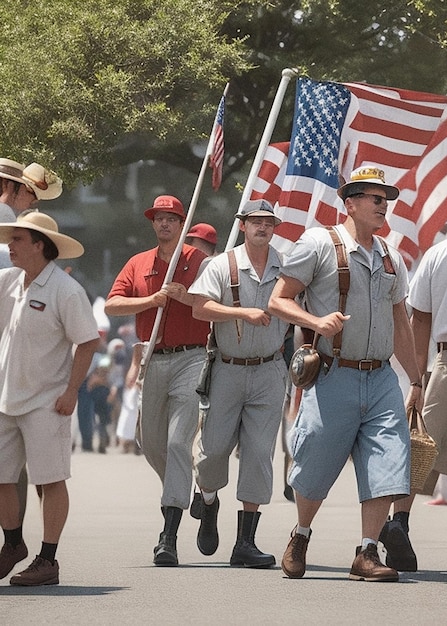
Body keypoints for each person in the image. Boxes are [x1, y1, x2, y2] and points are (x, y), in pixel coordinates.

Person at [268, 165, 422, 581]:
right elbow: (278, 300)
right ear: (350, 202)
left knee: (388, 464)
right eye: (375, 198)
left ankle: (367, 552)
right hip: (333, 373)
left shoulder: (390, 255)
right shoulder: (319, 243)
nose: (383, 205)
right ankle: (301, 534)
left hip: (381, 378)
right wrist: (316, 324)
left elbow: (400, 320)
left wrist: (417, 378)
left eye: (386, 199)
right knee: (315, 457)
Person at [104, 195, 210, 566]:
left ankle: (169, 535)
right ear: (153, 224)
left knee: (179, 442)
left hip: (193, 357)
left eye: (171, 218)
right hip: (153, 358)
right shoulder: (138, 263)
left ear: (182, 223)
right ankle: (194, 492)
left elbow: (215, 302)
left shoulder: (199, 261)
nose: (164, 224)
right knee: (150, 444)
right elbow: (111, 305)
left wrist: (189, 295)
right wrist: (152, 300)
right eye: (159, 218)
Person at [380, 194, 447, 571]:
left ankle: (400, 524)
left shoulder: (441, 253)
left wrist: (417, 380)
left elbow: (418, 320)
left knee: (422, 451)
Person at [0, 211, 99, 586]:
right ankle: (12, 545)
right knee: (1, 477)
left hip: (47, 401)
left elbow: (88, 341)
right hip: (5, 397)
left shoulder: (66, 290)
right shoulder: (8, 281)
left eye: (18, 240)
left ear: (39, 245)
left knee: (51, 479)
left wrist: (71, 390)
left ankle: (48, 559)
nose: (9, 245)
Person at [188, 199, 288, 568]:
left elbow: (300, 304)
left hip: (270, 369)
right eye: (255, 221)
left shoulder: (286, 266)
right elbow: (199, 307)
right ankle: (209, 501)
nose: (263, 227)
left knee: (260, 454)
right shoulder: (221, 264)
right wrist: (241, 312)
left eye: (268, 222)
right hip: (228, 368)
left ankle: (245, 542)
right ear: (242, 225)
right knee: (212, 451)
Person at [0, 159, 63, 526]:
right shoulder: (11, 227)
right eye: (30, 193)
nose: (34, 202)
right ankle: (15, 537)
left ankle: (14, 539)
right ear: (13, 187)